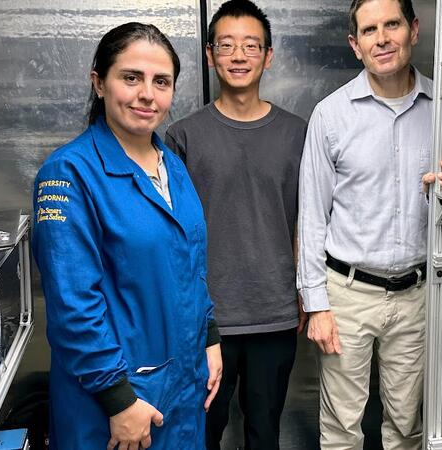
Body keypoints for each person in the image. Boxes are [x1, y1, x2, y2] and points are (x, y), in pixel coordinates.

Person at [296, 0, 442, 448]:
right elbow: (312, 216)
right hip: (347, 296)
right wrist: (316, 304)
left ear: (413, 30)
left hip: (417, 295)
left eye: (392, 24)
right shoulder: (331, 115)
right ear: (355, 45)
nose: (382, 38)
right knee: (341, 430)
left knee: (406, 426)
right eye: (370, 30)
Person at [31, 22, 222, 450]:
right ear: (99, 83)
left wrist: (209, 339)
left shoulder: (172, 167)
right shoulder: (69, 174)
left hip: (183, 385)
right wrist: (118, 400)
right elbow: (72, 305)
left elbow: (191, 266)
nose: (147, 94)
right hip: (118, 403)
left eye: (161, 82)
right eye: (130, 77)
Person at [164, 1, 306, 448]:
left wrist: (305, 292)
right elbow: (171, 236)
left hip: (275, 313)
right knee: (201, 431)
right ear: (210, 55)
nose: (239, 56)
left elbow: (309, 220)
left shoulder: (298, 133)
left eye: (251, 45)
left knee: (265, 431)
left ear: (269, 55)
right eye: (226, 45)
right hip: (206, 320)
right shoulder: (182, 137)